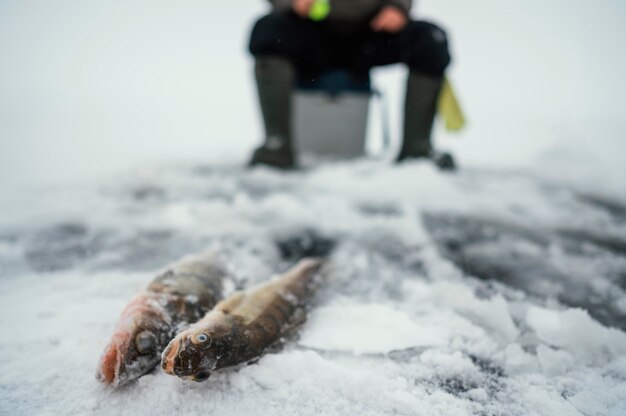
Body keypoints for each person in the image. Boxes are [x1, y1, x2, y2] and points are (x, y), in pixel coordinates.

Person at [248, 0, 455, 170]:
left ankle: (416, 151)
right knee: (268, 31)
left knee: (430, 40)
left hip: (373, 30)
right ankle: (277, 148)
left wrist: (397, 7)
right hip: (308, 27)